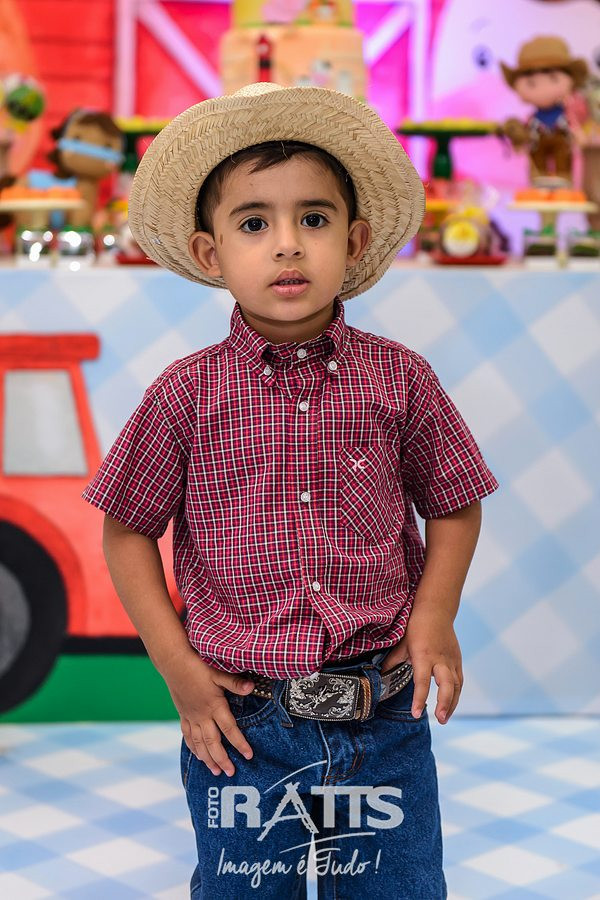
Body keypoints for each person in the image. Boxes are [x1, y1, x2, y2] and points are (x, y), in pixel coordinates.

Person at [82, 82, 499, 899]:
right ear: (210, 254)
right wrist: (176, 666)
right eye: (253, 224)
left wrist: (434, 617)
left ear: (354, 240)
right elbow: (127, 530)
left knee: (400, 888)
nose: (287, 246)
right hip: (243, 725)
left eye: (313, 219)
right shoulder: (186, 394)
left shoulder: (400, 379)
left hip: (381, 715)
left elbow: (454, 501)